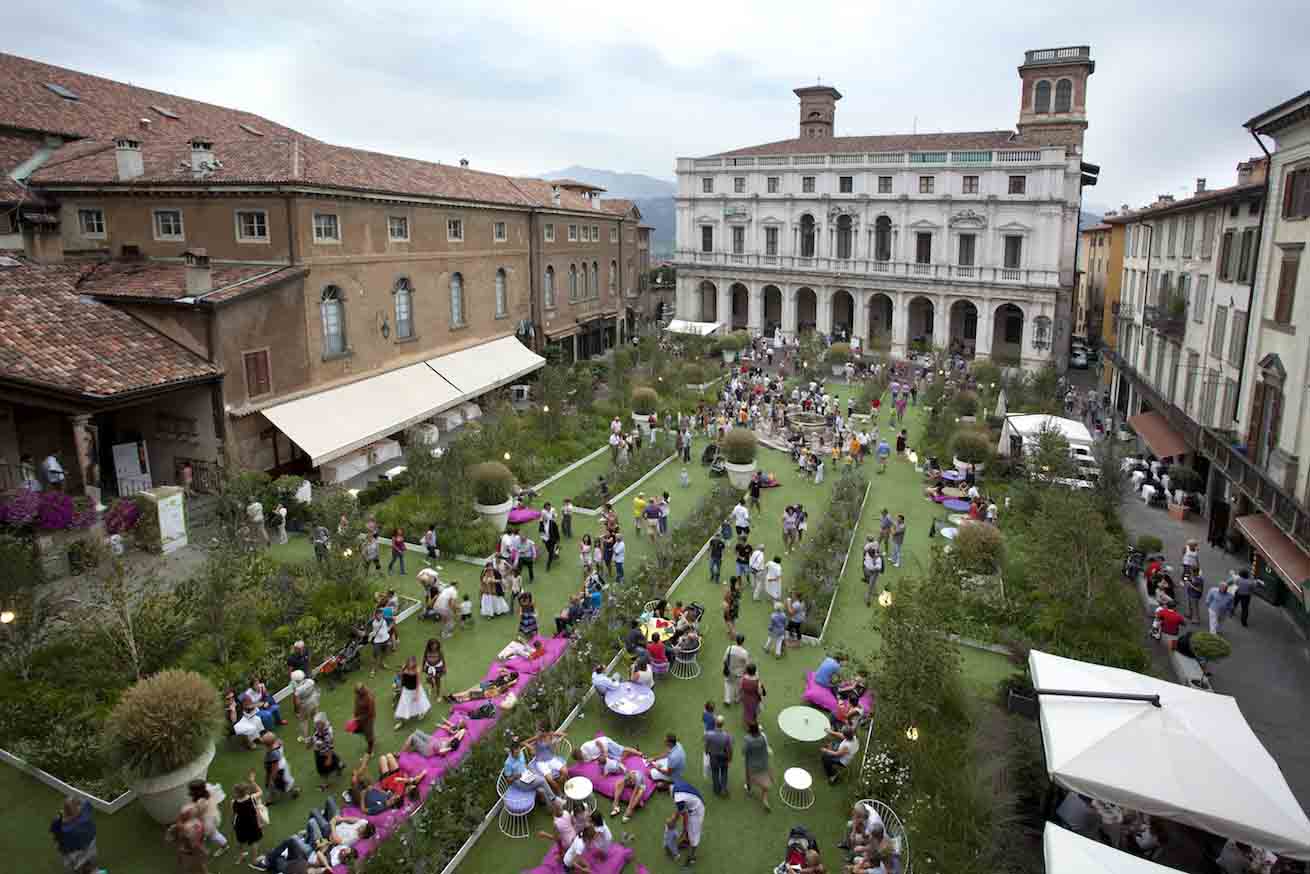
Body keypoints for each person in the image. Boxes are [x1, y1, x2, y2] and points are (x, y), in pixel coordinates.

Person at [51, 796, 100, 874]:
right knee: (78, 864)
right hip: (73, 849)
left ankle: (88, 867)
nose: (79, 808)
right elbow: (57, 835)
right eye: (77, 806)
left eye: (78, 805)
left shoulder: (84, 810)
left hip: (88, 842)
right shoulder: (61, 824)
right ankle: (85, 870)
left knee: (89, 858)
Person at [667, 779, 705, 867]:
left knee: (694, 835)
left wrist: (684, 831)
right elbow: (680, 810)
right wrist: (674, 818)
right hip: (695, 803)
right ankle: (686, 840)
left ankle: (692, 857)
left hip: (697, 811)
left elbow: (685, 816)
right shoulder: (677, 783)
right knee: (689, 828)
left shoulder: (678, 799)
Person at [230, 778, 265, 867]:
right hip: (252, 824)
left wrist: (233, 823)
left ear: (237, 793)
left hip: (240, 825)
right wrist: (253, 782)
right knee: (254, 842)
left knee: (240, 842)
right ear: (246, 791)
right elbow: (260, 791)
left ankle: (241, 856)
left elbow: (234, 814)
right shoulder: (252, 798)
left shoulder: (233, 802)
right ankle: (254, 860)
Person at [168, 803, 209, 874]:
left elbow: (169, 839)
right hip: (190, 852)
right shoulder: (196, 823)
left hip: (189, 852)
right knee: (198, 866)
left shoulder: (188, 826)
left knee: (195, 867)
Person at [261, 732, 300, 803]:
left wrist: (272, 778)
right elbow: (280, 742)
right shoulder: (278, 743)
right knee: (284, 781)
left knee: (282, 784)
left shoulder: (273, 754)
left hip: (278, 770)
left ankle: (294, 791)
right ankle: (271, 796)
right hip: (282, 765)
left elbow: (274, 768)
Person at [395, 655, 432, 730]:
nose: (410, 664)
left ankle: (422, 712)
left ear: (414, 663)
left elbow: (418, 683)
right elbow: (402, 678)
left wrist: (417, 694)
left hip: (414, 690)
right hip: (406, 690)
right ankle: (401, 722)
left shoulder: (417, 670)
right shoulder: (404, 668)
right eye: (409, 663)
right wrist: (401, 687)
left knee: (419, 703)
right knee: (403, 705)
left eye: (412, 663)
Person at [741, 721, 772, 811]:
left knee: (749, 777)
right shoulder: (763, 738)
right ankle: (765, 799)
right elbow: (765, 749)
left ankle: (749, 789)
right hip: (762, 763)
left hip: (751, 763)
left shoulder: (747, 739)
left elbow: (744, 751)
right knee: (764, 780)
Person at [310, 713, 344, 790]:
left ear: (323, 723)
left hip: (325, 753)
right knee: (333, 762)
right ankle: (339, 765)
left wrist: (329, 757)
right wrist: (312, 741)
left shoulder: (327, 733)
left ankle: (325, 783)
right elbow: (314, 736)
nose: (316, 725)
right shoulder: (317, 729)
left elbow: (330, 746)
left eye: (318, 724)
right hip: (318, 751)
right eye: (316, 724)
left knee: (323, 769)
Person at [445, 669, 518, 703]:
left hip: (489, 687)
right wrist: (511, 680)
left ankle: (452, 696)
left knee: (470, 693)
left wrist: (507, 674)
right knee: (471, 696)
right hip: (490, 687)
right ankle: (455, 699)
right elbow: (501, 671)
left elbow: (500, 671)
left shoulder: (505, 678)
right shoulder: (507, 682)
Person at [704, 714, 734, 796]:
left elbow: (706, 745)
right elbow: (729, 749)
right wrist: (730, 759)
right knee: (724, 772)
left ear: (715, 723)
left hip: (713, 756)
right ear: (723, 724)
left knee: (715, 772)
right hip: (723, 757)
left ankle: (716, 789)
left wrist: (706, 752)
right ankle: (724, 788)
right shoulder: (727, 736)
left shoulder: (708, 734)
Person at [290, 670, 320, 746]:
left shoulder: (298, 690)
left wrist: (299, 710)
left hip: (305, 705)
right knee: (315, 716)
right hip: (314, 700)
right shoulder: (310, 681)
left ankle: (306, 738)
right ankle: (319, 732)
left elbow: (297, 702)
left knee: (304, 721)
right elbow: (315, 689)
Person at [723, 633, 749, 705]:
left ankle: (727, 699)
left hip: (729, 670)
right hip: (739, 673)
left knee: (728, 684)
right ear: (743, 642)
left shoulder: (729, 648)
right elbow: (747, 664)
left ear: (736, 640)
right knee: (738, 686)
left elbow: (724, 660)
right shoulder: (744, 653)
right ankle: (737, 699)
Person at [352, 683, 376, 756]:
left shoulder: (369, 698)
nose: (357, 694)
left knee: (369, 735)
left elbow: (370, 713)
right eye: (356, 692)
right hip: (360, 718)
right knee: (364, 733)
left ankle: (371, 749)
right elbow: (356, 706)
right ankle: (371, 740)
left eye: (358, 692)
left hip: (368, 719)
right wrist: (355, 716)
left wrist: (360, 718)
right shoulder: (358, 697)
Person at [863, 542, 884, 607]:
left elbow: (878, 568)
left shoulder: (870, 555)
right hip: (871, 572)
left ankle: (875, 592)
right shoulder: (875, 559)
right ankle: (867, 600)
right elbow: (878, 568)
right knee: (870, 587)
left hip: (869, 570)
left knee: (873, 583)